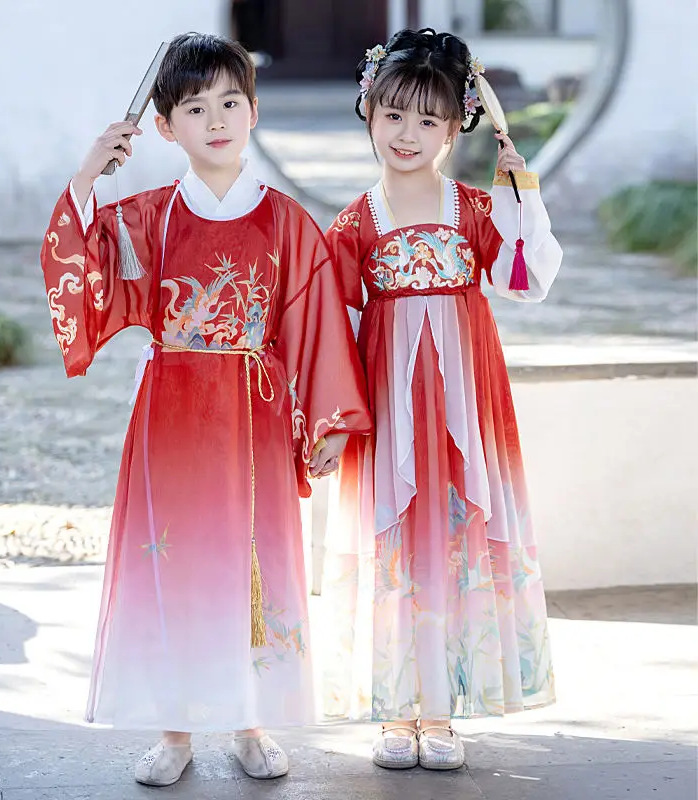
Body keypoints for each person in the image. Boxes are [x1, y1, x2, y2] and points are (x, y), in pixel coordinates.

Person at [39, 32, 371, 787]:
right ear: (165, 127)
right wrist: (91, 172)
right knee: (177, 563)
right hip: (173, 414)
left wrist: (325, 424)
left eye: (230, 102)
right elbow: (77, 258)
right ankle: (175, 729)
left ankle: (252, 721)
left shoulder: (287, 222)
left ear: (253, 112)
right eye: (195, 106)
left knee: (253, 562)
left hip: (254, 414)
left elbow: (316, 323)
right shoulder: (150, 217)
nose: (215, 118)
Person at [321, 28, 561, 772]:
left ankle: (441, 711)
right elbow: (330, 324)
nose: (407, 134)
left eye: (428, 120)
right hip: (390, 405)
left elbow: (523, 278)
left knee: (454, 539)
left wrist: (521, 195)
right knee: (397, 543)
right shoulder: (356, 221)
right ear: (368, 111)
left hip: (466, 402)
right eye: (393, 115)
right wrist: (332, 419)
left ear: (457, 127)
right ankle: (397, 710)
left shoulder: (473, 209)